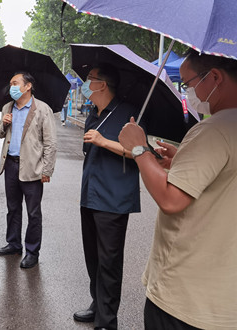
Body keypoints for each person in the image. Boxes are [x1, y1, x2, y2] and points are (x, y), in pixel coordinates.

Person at [118, 50, 237, 330]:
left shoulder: (214, 130)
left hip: (184, 295)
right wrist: (182, 159)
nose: (188, 92)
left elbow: (171, 199)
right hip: (223, 297)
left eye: (188, 83)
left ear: (215, 77)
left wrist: (139, 148)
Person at [74, 63, 140, 330]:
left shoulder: (129, 113)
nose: (85, 83)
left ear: (101, 84)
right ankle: (97, 304)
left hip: (114, 199)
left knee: (109, 262)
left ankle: (107, 320)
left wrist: (104, 141)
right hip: (90, 194)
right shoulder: (93, 112)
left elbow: (140, 152)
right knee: (93, 258)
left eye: (89, 79)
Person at [0, 72, 57, 269]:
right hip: (11, 165)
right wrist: (4, 124)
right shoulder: (8, 107)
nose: (11, 87)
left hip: (32, 167)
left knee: (33, 212)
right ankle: (13, 244)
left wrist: (47, 170)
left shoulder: (42, 109)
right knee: (13, 208)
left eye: (15, 83)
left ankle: (32, 252)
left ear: (27, 86)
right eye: (10, 83)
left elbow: (50, 143)